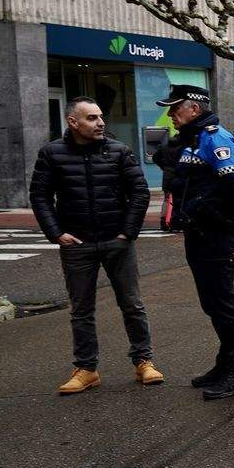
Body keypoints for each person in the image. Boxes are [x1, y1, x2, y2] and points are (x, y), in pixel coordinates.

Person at [29, 97, 164, 395]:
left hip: (117, 242)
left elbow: (139, 192)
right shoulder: (52, 153)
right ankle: (86, 369)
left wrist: (127, 233)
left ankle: (144, 362)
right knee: (81, 310)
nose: (100, 122)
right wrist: (57, 234)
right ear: (72, 122)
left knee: (132, 304)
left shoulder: (118, 151)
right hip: (77, 244)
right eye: (91, 118)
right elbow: (40, 196)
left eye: (101, 117)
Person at [158, 83, 234, 400]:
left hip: (214, 233)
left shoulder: (215, 137)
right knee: (211, 303)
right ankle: (224, 363)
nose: (170, 114)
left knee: (222, 303)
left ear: (194, 108)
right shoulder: (193, 140)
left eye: (175, 108)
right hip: (198, 232)